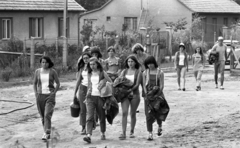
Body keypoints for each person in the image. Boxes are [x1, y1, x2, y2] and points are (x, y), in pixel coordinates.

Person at [83, 57, 112, 143]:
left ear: (97, 64)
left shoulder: (102, 73)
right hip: (91, 97)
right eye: (90, 64)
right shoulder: (89, 73)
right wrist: (86, 96)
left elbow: (111, 82)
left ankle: (102, 132)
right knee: (90, 116)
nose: (92, 66)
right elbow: (89, 85)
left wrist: (104, 81)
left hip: (101, 97)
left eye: (94, 64)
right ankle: (88, 135)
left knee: (101, 116)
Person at [142, 56, 169, 141]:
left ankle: (159, 126)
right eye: (148, 64)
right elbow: (144, 85)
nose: (150, 65)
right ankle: (150, 133)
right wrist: (147, 94)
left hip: (158, 96)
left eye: (151, 63)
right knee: (148, 115)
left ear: (154, 62)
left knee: (158, 113)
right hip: (148, 96)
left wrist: (157, 94)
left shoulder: (160, 72)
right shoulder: (145, 73)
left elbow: (161, 85)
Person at [33, 56, 60, 141]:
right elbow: (34, 83)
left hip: (50, 95)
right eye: (43, 62)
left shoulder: (52, 72)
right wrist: (36, 93)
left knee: (47, 114)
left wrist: (54, 93)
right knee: (42, 116)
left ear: (49, 63)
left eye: (46, 62)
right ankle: (47, 131)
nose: (44, 64)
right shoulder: (37, 71)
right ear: (41, 63)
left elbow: (58, 83)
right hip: (40, 95)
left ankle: (46, 133)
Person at [118, 55, 142, 140]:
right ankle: (123, 133)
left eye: (132, 61)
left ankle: (131, 131)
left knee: (132, 113)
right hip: (125, 95)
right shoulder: (124, 71)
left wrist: (130, 89)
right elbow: (119, 81)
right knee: (124, 112)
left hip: (135, 94)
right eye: (129, 61)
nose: (130, 63)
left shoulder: (138, 72)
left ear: (135, 62)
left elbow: (137, 84)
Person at [73, 52, 91, 135]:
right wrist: (74, 93)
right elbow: (78, 80)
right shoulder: (81, 68)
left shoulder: (93, 67)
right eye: (84, 58)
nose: (86, 59)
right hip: (82, 88)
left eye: (87, 58)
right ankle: (83, 127)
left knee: (90, 109)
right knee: (83, 109)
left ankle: (90, 126)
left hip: (91, 89)